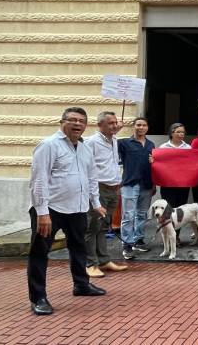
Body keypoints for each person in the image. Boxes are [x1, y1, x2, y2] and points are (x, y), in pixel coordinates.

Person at [28, 107, 107, 316]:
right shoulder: (48, 146)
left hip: (78, 208)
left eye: (82, 121)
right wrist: (42, 212)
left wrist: (96, 203)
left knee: (79, 248)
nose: (78, 124)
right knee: (39, 254)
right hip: (51, 210)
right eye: (73, 120)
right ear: (62, 122)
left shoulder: (85, 148)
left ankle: (81, 285)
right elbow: (38, 181)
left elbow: (91, 178)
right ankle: (38, 298)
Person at [83, 111, 128, 278]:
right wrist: (92, 192)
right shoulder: (91, 142)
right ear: (99, 125)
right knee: (91, 227)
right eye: (110, 123)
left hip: (113, 188)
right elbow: (86, 167)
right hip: (98, 189)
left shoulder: (114, 140)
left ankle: (103, 260)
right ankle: (90, 264)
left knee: (103, 227)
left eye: (115, 122)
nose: (115, 125)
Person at [118, 117, 155, 259]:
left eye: (144, 125)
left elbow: (155, 167)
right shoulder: (124, 143)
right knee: (127, 215)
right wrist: (117, 129)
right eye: (138, 125)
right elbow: (109, 144)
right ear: (133, 127)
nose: (141, 127)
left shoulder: (151, 145)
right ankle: (126, 244)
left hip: (146, 184)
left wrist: (154, 184)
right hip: (129, 183)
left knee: (142, 214)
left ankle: (138, 240)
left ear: (147, 128)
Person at [158, 122, 192, 244]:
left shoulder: (188, 148)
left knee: (179, 211)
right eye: (178, 132)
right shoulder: (163, 148)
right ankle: (167, 236)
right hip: (167, 185)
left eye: (183, 132)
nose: (181, 134)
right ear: (172, 133)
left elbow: (192, 164)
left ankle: (176, 236)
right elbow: (159, 165)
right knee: (168, 210)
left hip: (183, 185)